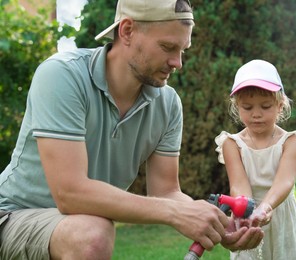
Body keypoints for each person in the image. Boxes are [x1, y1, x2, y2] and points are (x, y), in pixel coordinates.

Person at [0, 1, 264, 259]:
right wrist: (174, 213)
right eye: (167, 47)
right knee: (92, 234)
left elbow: (166, 192)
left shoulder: (168, 104)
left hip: (73, 224)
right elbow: (70, 193)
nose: (178, 62)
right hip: (15, 215)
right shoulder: (62, 75)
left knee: (91, 228)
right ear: (127, 31)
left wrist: (218, 224)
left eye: (183, 49)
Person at [215, 59, 296, 260]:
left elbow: (284, 181)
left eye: (266, 106)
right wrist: (248, 211)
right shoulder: (232, 144)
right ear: (237, 107)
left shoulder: (290, 142)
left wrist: (265, 208)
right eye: (247, 107)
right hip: (247, 217)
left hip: (281, 214)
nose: (256, 114)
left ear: (280, 105)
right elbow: (239, 185)